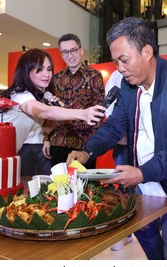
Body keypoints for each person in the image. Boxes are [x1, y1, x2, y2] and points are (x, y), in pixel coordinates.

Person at [66, 17, 167, 260]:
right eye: (115, 62)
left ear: (147, 51)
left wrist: (143, 172)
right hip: (143, 180)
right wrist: (87, 151)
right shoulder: (128, 86)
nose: (120, 68)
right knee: (145, 234)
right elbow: (114, 126)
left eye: (124, 60)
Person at [0, 48, 105, 176]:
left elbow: (46, 127)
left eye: (49, 69)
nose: (46, 74)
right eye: (39, 70)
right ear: (26, 72)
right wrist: (83, 114)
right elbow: (45, 113)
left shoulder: (42, 95)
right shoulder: (20, 94)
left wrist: (54, 110)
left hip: (12, 155)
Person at [43, 33, 105, 169]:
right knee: (59, 187)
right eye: (65, 52)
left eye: (73, 50)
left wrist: (92, 147)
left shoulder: (94, 76)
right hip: (58, 142)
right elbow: (49, 112)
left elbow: (99, 112)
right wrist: (47, 139)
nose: (70, 55)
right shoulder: (56, 78)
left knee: (84, 188)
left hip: (83, 147)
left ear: (81, 50)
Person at [105, 70, 133, 251]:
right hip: (123, 139)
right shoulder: (116, 76)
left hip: (148, 140)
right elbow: (108, 104)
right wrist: (119, 133)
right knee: (124, 185)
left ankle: (155, 225)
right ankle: (125, 233)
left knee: (152, 183)